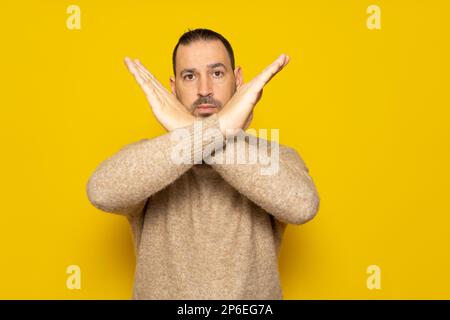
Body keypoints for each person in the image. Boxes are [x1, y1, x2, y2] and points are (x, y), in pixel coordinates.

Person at [86, 28, 320, 299]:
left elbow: (302, 205)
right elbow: (100, 191)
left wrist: (198, 132)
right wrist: (218, 130)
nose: (204, 89)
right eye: (190, 76)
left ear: (238, 80)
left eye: (217, 73)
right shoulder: (150, 158)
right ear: (174, 89)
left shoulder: (275, 156)